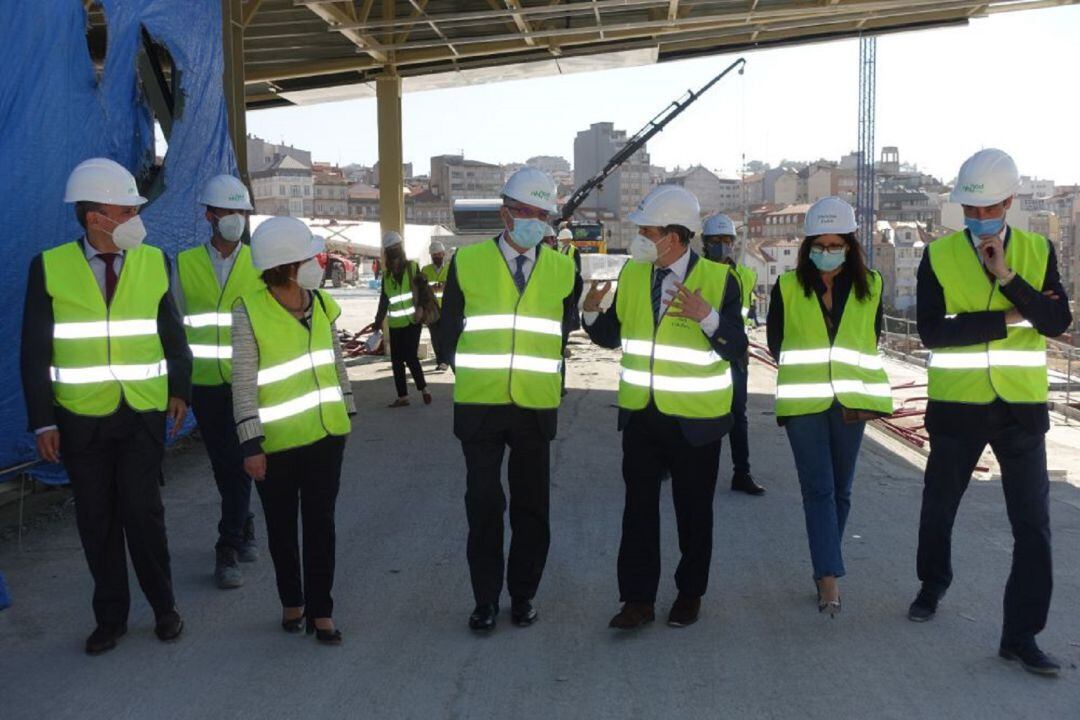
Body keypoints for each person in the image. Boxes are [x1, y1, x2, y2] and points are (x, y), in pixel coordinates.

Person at [908, 149, 1071, 676]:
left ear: (1009, 201)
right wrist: (1006, 317)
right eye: (969, 211)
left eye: (987, 209)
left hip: (1020, 410)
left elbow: (1054, 320)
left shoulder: (1038, 250)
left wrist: (1007, 277)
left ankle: (1020, 636)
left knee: (1034, 528)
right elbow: (931, 331)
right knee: (938, 509)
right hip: (957, 408)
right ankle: (932, 585)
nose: (979, 220)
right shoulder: (937, 257)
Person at [20, 157, 191, 655]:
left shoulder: (155, 261)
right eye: (128, 208)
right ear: (97, 217)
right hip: (80, 420)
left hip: (140, 413)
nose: (138, 217)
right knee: (96, 521)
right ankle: (110, 618)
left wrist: (179, 390)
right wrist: (42, 421)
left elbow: (173, 337)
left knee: (144, 514)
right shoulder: (49, 266)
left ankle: (164, 608)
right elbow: (34, 352)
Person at [581, 185, 747, 630]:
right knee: (638, 510)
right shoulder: (634, 275)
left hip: (696, 421)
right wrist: (592, 315)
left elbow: (736, 347)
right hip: (642, 415)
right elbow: (614, 335)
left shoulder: (719, 280)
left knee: (693, 513)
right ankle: (636, 599)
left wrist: (708, 317)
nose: (639, 237)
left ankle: (689, 594)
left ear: (673, 236)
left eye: (646, 230)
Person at [438, 167, 578, 632]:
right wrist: (469, 370)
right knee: (483, 505)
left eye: (543, 215)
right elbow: (447, 330)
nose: (534, 222)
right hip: (480, 407)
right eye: (526, 212)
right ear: (505, 213)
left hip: (535, 408)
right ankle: (484, 600)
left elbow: (564, 330)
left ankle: (522, 595)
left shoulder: (563, 269)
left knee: (532, 507)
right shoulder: (467, 262)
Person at [765, 197, 892, 617]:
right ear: (808, 245)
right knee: (818, 489)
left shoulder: (871, 285)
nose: (828, 250)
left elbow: (870, 339)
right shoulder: (787, 286)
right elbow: (776, 342)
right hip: (804, 404)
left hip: (851, 403)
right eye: (820, 243)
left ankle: (825, 562)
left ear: (851, 245)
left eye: (836, 243)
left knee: (842, 490)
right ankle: (828, 579)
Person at [231, 216, 355, 645]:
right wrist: (250, 444)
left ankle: (322, 610)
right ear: (286, 264)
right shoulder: (249, 310)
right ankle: (292, 602)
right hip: (276, 444)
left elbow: (335, 358)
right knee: (282, 527)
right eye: (307, 256)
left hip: (325, 436)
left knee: (321, 524)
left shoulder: (320, 302)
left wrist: (348, 408)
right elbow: (243, 381)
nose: (315, 261)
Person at [173, 174, 264, 590]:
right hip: (206, 386)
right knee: (225, 465)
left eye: (240, 212)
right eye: (226, 212)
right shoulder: (185, 264)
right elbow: (173, 330)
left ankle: (226, 547)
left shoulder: (261, 263)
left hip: (250, 383)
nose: (234, 219)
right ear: (209, 215)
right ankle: (243, 521)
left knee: (239, 461)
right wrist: (178, 387)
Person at [701, 213, 765, 496]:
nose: (723, 246)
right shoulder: (697, 273)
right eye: (716, 241)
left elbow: (745, 317)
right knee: (697, 415)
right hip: (703, 355)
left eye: (728, 241)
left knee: (738, 415)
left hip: (735, 356)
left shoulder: (745, 276)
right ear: (705, 244)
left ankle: (742, 472)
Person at [373, 231, 431, 407]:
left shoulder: (413, 267)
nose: (393, 250)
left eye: (395, 247)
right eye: (390, 248)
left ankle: (424, 389)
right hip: (396, 324)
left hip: (413, 321)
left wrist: (420, 308)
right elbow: (384, 300)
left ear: (401, 248)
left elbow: (424, 291)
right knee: (397, 360)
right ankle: (403, 396)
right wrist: (377, 322)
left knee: (410, 357)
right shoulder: (387, 275)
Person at [421, 240, 451, 371]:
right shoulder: (425, 270)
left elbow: (455, 286)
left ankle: (445, 360)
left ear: (443, 254)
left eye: (438, 254)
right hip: (432, 309)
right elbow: (421, 289)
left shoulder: (450, 268)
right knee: (435, 336)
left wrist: (445, 285)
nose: (436, 257)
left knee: (446, 335)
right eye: (434, 255)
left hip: (447, 308)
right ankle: (441, 361)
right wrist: (430, 288)